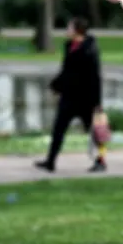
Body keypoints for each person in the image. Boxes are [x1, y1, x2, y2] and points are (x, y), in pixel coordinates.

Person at [35, 16, 105, 173]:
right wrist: (55, 86)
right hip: (68, 97)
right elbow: (67, 71)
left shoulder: (90, 49)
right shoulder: (69, 45)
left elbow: (95, 77)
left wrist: (97, 103)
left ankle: (100, 162)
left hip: (86, 99)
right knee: (58, 129)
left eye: (69, 27)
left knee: (95, 132)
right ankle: (50, 162)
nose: (67, 30)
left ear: (77, 30)